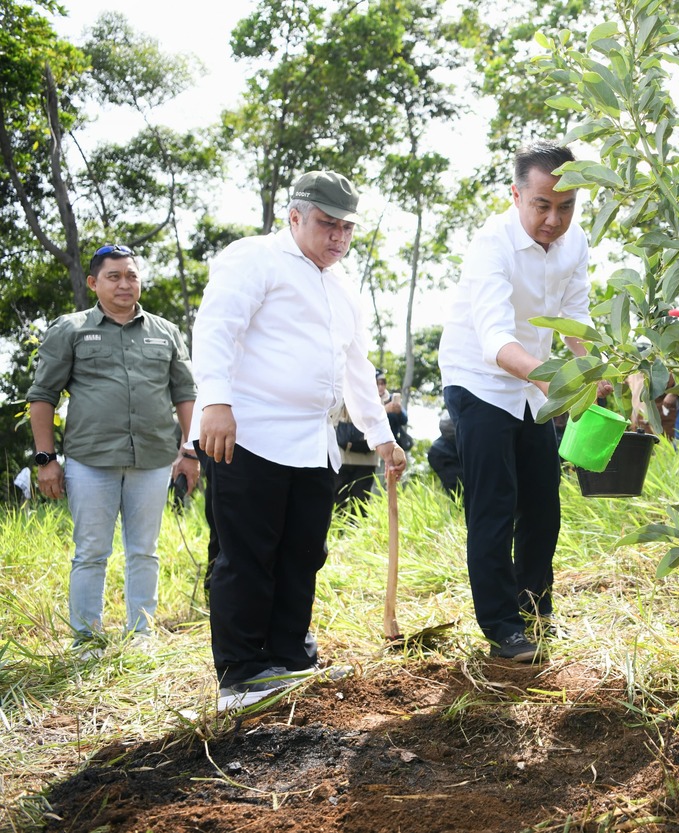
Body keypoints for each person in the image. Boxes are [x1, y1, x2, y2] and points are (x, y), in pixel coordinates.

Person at [192, 170, 404, 709]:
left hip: (315, 443)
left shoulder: (342, 283)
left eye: (346, 228)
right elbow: (217, 327)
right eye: (327, 224)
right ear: (294, 217)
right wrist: (215, 401)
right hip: (248, 435)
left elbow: (356, 366)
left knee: (303, 553)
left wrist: (380, 436)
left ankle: (288, 658)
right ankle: (241, 674)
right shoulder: (253, 257)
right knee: (245, 556)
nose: (338, 237)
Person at [438, 140, 606, 661]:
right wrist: (558, 380)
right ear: (516, 195)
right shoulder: (492, 244)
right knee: (495, 504)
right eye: (542, 205)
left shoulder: (574, 242)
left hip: (536, 384)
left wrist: (595, 371)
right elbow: (493, 341)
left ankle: (535, 611)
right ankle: (502, 628)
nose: (554, 219)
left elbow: (574, 317)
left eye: (567, 206)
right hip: (480, 379)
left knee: (543, 504)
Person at [27, 243, 198, 650]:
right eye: (114, 276)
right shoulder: (70, 329)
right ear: (93, 282)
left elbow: (186, 395)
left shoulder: (166, 332)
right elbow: (42, 396)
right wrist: (46, 459)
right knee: (90, 552)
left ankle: (141, 635)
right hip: (91, 461)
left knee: (145, 551)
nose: (125, 284)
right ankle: (86, 640)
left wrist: (189, 453)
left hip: (154, 459)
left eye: (132, 275)